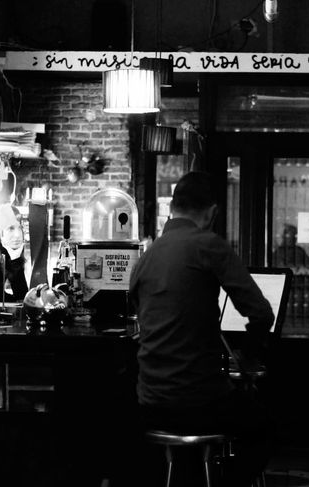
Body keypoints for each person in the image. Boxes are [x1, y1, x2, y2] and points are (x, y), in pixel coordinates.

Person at [129, 171, 275, 487]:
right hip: (199, 403)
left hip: (150, 403)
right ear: (211, 212)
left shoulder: (146, 256)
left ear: (172, 208)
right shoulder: (208, 245)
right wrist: (248, 355)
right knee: (265, 426)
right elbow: (261, 314)